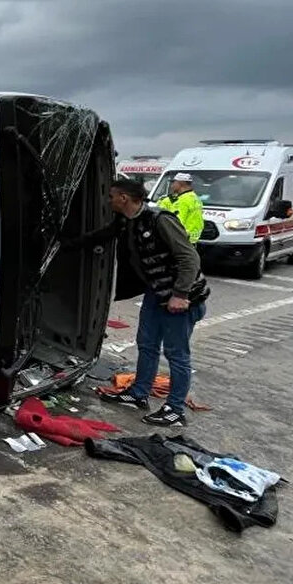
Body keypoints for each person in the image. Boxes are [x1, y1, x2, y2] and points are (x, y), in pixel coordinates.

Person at [83, 178, 210, 427]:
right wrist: (65, 244)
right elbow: (103, 236)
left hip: (181, 299)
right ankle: (138, 394)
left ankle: (175, 410)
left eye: (111, 196)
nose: (108, 200)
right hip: (156, 293)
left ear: (124, 198)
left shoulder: (160, 220)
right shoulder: (129, 220)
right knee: (147, 344)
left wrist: (181, 294)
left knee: (177, 354)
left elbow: (189, 258)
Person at [157, 172, 204, 245]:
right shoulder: (195, 198)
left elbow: (176, 222)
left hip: (181, 239)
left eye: (173, 182)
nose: (172, 185)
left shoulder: (182, 201)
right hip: (192, 239)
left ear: (180, 184)